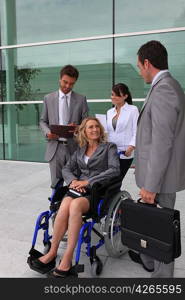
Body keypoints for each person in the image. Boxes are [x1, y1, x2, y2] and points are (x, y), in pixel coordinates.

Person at [30, 117, 120, 278]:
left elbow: (114, 170)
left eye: (96, 127)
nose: (94, 130)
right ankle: (52, 252)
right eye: (90, 127)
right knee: (64, 206)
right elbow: (66, 168)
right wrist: (73, 181)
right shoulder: (80, 149)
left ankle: (67, 258)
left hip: (97, 190)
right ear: (84, 132)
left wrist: (88, 181)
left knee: (74, 206)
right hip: (78, 188)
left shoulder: (109, 147)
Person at [128, 40, 185, 277]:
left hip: (159, 180)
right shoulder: (168, 85)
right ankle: (149, 260)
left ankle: (162, 281)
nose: (140, 71)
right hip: (158, 176)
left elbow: (162, 142)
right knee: (153, 230)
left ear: (147, 63)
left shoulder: (164, 89)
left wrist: (150, 186)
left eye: (139, 66)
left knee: (161, 233)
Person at [40, 64, 88, 188]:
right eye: (65, 82)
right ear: (59, 79)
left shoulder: (81, 99)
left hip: (75, 148)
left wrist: (78, 127)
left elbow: (86, 122)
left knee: (75, 183)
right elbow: (42, 121)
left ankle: (70, 205)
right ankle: (56, 207)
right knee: (56, 185)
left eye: (71, 83)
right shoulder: (48, 98)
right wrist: (47, 133)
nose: (67, 86)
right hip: (55, 148)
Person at [106, 83, 139, 180]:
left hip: (125, 152)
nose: (113, 97)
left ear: (125, 96)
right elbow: (109, 132)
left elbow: (136, 130)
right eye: (112, 94)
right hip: (111, 152)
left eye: (117, 95)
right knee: (110, 180)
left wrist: (131, 147)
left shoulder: (133, 110)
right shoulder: (109, 112)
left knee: (117, 179)